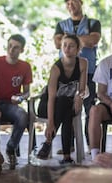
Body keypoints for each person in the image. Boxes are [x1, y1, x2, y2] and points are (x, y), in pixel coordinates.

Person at [54, 0, 101, 147]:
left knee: (89, 108)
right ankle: (70, 145)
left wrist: (68, 40)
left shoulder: (93, 23)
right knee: (67, 109)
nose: (71, 5)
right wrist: (82, 39)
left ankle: (90, 145)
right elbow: (56, 43)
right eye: (67, 3)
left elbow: (92, 41)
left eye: (73, 1)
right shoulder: (61, 24)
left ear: (81, 2)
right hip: (66, 75)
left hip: (89, 73)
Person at [0, 34, 32, 173]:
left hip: (10, 104)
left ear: (22, 50)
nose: (11, 50)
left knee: (23, 116)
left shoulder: (25, 66)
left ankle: (11, 149)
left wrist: (21, 98)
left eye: (16, 47)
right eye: (10, 46)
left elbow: (27, 92)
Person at [36, 34, 87, 164]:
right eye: (65, 45)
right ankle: (65, 155)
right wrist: (50, 123)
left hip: (66, 105)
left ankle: (49, 146)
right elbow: (52, 98)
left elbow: (82, 90)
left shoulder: (82, 63)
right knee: (65, 105)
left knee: (66, 105)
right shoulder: (56, 69)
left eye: (71, 46)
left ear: (77, 49)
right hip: (47, 105)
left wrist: (79, 97)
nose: (67, 48)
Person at [88, 27, 112, 161]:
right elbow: (100, 93)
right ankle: (95, 156)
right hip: (110, 104)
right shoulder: (106, 63)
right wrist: (111, 104)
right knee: (94, 111)